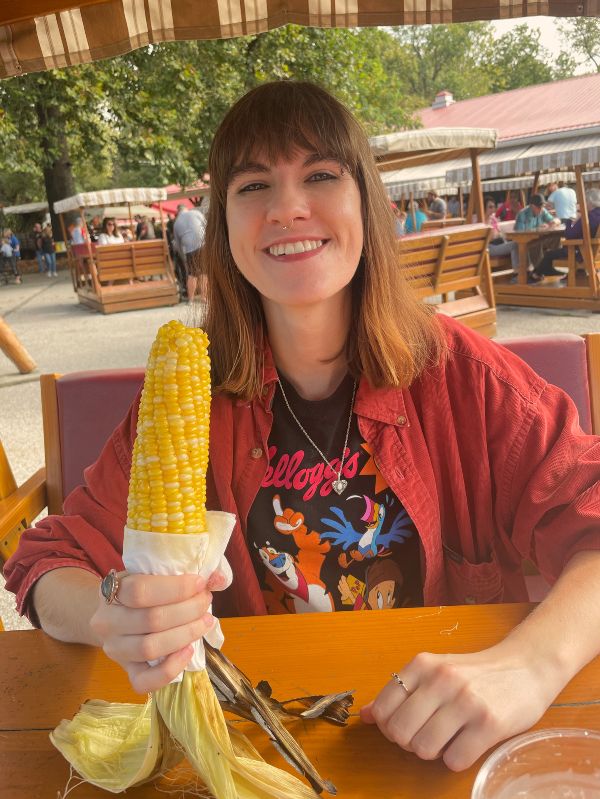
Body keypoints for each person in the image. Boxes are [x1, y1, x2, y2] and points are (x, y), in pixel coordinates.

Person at [4, 81, 600, 775]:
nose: (288, 208)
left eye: (320, 175)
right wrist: (110, 612)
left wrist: (527, 667)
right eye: (254, 186)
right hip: (265, 739)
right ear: (223, 226)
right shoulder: (193, 398)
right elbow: (47, 562)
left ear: (366, 205)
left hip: (442, 740)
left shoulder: (463, 377)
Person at [531, 188, 600, 283]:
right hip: (594, 252)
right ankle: (577, 274)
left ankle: (535, 274)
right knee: (554, 251)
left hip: (581, 252)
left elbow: (569, 235)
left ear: (588, 202)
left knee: (549, 254)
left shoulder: (589, 217)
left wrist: (572, 217)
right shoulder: (595, 215)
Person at [173, 203, 207, 302]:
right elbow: (206, 225)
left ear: (178, 212)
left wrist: (183, 257)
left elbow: (178, 244)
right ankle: (204, 297)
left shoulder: (176, 223)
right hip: (202, 244)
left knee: (192, 274)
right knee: (204, 273)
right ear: (186, 209)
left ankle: (191, 300)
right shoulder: (196, 213)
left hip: (189, 249)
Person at [484, 197, 519, 276]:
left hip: (498, 243)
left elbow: (499, 233)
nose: (493, 209)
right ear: (484, 208)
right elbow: (490, 238)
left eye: (494, 207)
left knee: (520, 243)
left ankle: (526, 271)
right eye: (490, 207)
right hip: (489, 247)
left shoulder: (493, 219)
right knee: (515, 245)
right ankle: (517, 275)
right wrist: (497, 234)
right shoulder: (482, 221)